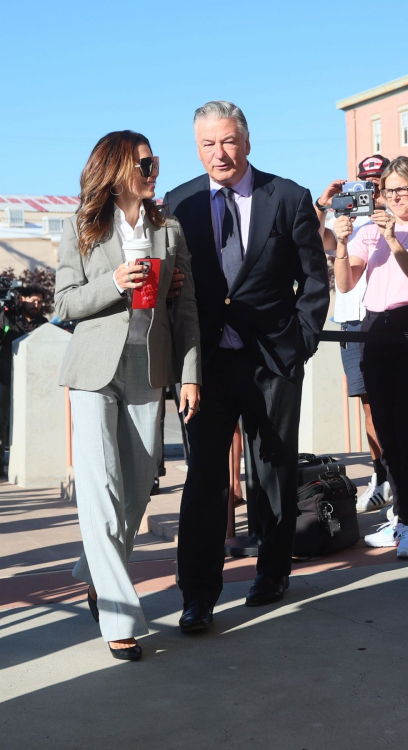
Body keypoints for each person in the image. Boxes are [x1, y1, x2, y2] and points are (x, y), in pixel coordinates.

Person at [164, 100, 329, 632]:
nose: (220, 153)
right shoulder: (178, 203)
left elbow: (314, 279)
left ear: (248, 142)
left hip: (272, 361)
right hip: (205, 366)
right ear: (197, 148)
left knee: (273, 473)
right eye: (208, 144)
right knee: (204, 480)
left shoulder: (288, 197)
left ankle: (273, 571)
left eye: (229, 141)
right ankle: (197, 595)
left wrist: (300, 341)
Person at [55, 130, 201, 660]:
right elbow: (65, 304)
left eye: (155, 161)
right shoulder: (82, 228)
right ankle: (118, 614)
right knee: (103, 488)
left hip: (149, 367)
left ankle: (95, 571)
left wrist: (190, 374)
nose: (153, 169)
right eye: (145, 162)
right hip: (93, 369)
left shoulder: (170, 231)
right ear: (118, 168)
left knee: (137, 492)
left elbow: (184, 311)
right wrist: (115, 282)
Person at [334, 156, 408, 558]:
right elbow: (346, 284)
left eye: (403, 188)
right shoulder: (369, 232)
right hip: (375, 328)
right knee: (386, 433)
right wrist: (341, 242)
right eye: (389, 190)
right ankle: (404, 518)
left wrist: (395, 240)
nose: (396, 196)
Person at [315, 155, 393, 512]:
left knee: (393, 405)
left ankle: (402, 481)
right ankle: (382, 477)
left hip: (386, 319)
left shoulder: (395, 216)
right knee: (369, 408)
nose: (368, 191)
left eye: (374, 184)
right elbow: (317, 241)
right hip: (351, 322)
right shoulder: (344, 220)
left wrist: (386, 215)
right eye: (363, 183)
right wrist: (323, 204)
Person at [0, 286, 48, 477]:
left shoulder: (43, 323)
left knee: (29, 422)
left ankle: (29, 463)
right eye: (33, 300)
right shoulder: (7, 318)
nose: (36, 304)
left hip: (31, 383)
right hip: (5, 378)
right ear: (23, 300)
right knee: (1, 422)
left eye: (39, 301)